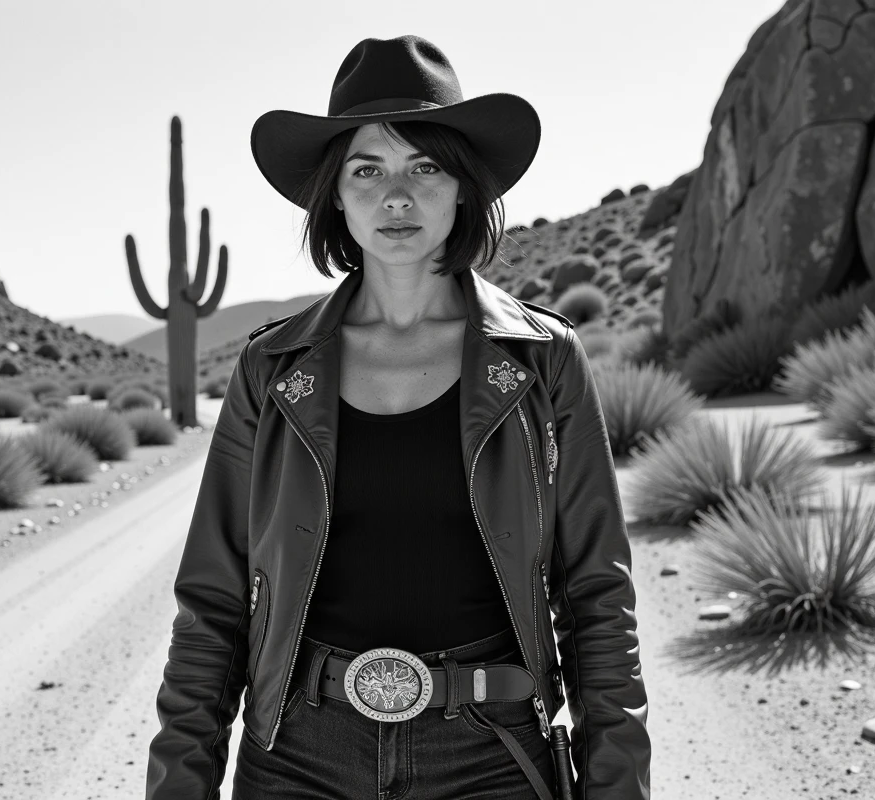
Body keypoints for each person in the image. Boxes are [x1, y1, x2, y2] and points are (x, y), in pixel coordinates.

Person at [145, 34, 650, 800]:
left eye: (425, 166)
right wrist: (179, 783)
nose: (397, 197)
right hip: (298, 756)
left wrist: (616, 785)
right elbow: (213, 603)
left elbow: (597, 597)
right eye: (367, 170)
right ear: (336, 196)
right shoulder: (274, 370)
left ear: (463, 188)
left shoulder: (544, 362)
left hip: (492, 753)